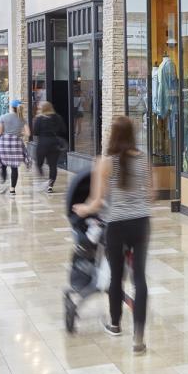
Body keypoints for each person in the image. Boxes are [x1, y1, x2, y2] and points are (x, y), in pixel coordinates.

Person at [72, 116, 153, 354]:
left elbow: (97, 202)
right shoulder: (144, 159)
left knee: (116, 276)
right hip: (140, 223)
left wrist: (82, 208)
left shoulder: (105, 162)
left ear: (112, 135)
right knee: (139, 278)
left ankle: (115, 324)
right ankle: (138, 337)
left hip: (116, 225)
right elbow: (151, 194)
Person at [32, 101, 67, 193]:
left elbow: (35, 132)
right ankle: (50, 186)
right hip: (54, 143)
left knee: (39, 163)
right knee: (53, 165)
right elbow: (63, 129)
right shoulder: (58, 117)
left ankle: (43, 179)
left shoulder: (39, 118)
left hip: (42, 143)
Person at [0, 100, 29, 195]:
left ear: (11, 107)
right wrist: (19, 133)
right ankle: (12, 189)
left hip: (4, 143)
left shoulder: (3, 117)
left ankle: (3, 182)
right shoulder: (22, 119)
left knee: (3, 165)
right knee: (14, 167)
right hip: (16, 143)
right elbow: (28, 133)